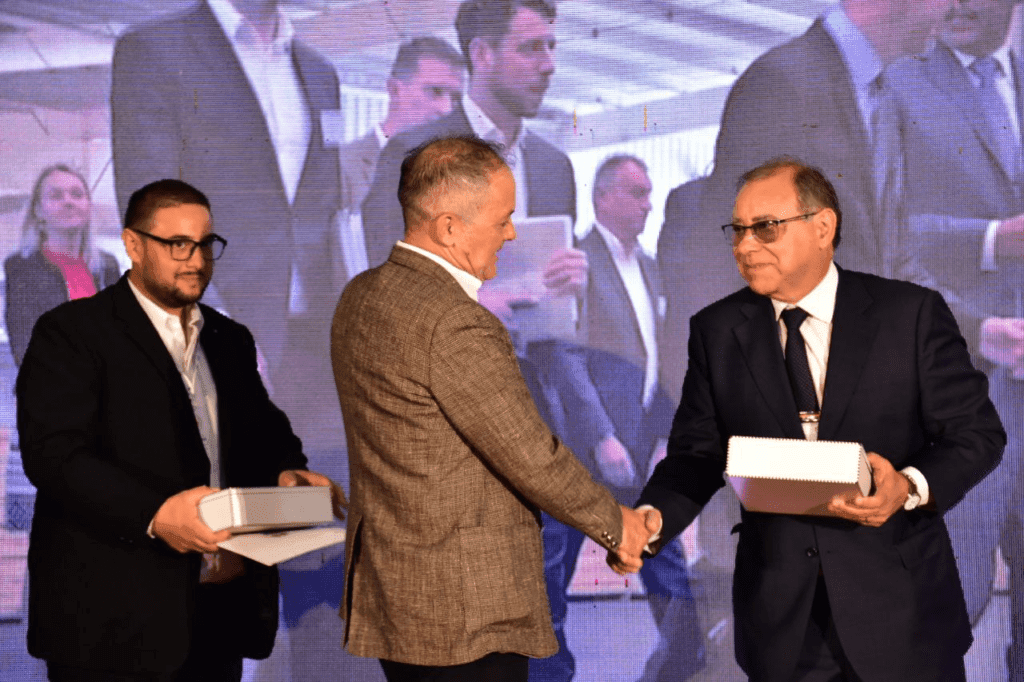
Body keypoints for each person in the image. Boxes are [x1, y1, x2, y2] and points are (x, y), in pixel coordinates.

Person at [618, 158, 1006, 681]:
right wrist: (652, 517)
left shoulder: (910, 314)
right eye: (737, 230)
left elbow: (977, 434)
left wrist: (909, 485)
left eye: (765, 228)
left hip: (904, 615)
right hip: (783, 626)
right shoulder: (717, 330)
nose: (745, 245)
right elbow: (696, 456)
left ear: (823, 227)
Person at [331, 136, 655, 682]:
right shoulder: (456, 319)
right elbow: (525, 451)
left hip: (397, 586)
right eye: (502, 220)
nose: (511, 234)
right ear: (449, 226)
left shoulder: (361, 295)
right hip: (467, 601)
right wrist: (615, 524)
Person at [17, 179, 343, 681]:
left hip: (215, 617)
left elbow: (266, 435)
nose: (196, 261)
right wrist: (156, 513)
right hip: (110, 626)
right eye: (177, 244)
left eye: (206, 245)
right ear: (133, 245)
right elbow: (55, 457)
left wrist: (288, 474)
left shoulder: (229, 338)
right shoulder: (69, 333)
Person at [110, 0, 344, 462]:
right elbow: (153, 209)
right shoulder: (156, 49)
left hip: (316, 346)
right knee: (225, 499)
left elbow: (326, 205)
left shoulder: (320, 72)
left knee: (321, 499)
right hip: (220, 332)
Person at [885, 0, 1024, 670]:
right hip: (960, 393)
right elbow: (881, 230)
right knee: (945, 610)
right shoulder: (897, 83)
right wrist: (992, 240)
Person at [675, 0, 948, 336]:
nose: (953, 7)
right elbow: (731, 255)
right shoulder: (780, 83)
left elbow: (893, 262)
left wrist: (980, 330)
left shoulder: (884, 102)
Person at [531, 155, 703, 682]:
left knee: (665, 562)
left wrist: (663, 435)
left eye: (650, 193)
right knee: (554, 573)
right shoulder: (576, 262)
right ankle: (548, 674)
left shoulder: (648, 267)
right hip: (583, 454)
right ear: (602, 197)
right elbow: (563, 354)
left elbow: (659, 357)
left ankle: (684, 664)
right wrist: (602, 435)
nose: (649, 204)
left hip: (638, 447)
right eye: (636, 193)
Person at [361, 0, 580, 286]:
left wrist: (577, 283)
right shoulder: (412, 155)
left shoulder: (554, 167)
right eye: (530, 48)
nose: (549, 65)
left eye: (551, 47)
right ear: (482, 54)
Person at [334, 36, 465, 287]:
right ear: (395, 90)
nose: (447, 108)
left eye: (456, 98)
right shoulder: (341, 168)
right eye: (435, 92)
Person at [4, 164, 120, 366]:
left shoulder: (107, 265)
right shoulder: (22, 268)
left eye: (77, 195)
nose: (68, 202)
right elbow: (26, 350)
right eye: (56, 196)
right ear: (38, 211)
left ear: (88, 206)